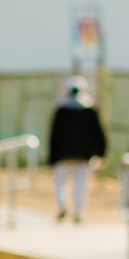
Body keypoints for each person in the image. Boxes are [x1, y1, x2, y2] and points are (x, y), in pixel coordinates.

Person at [48, 76, 107, 223]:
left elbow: (54, 135)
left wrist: (52, 156)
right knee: (81, 183)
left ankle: (63, 205)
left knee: (61, 181)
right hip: (83, 155)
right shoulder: (89, 110)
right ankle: (78, 211)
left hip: (63, 154)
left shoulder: (62, 110)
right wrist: (100, 152)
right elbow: (99, 134)